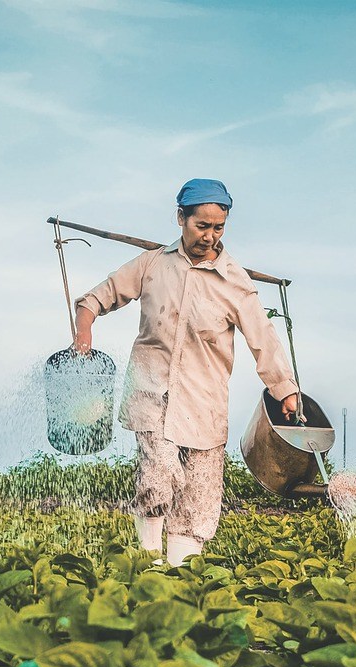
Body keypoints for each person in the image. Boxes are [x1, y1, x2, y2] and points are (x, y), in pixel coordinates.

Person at [73, 179, 300, 566]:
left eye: (218, 228)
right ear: (181, 218)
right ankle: (146, 566)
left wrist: (285, 389)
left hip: (204, 401)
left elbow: (264, 339)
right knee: (158, 473)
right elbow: (98, 297)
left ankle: (181, 575)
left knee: (199, 494)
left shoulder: (236, 283)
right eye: (202, 226)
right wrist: (84, 330)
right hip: (151, 391)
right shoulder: (152, 265)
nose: (210, 236)